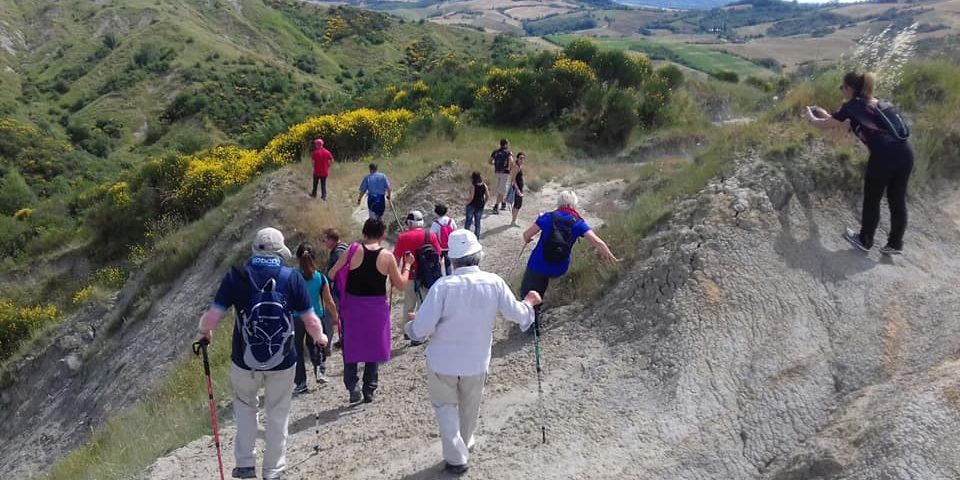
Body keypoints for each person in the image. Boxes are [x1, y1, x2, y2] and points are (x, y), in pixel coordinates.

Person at [404, 229, 543, 475]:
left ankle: (457, 457)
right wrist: (529, 303)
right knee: (470, 407)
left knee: (445, 407)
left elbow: (421, 329)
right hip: (476, 360)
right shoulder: (494, 282)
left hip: (442, 361)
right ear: (478, 255)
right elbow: (517, 315)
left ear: (451, 258)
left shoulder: (442, 286)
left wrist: (412, 326)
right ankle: (464, 444)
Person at [197, 227, 327, 480]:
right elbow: (310, 321)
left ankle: (245, 465)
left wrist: (205, 333)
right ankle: (273, 470)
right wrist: (320, 338)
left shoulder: (237, 276)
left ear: (254, 249)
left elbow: (213, 316)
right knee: (278, 412)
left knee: (245, 407)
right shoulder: (292, 277)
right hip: (283, 361)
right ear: (280, 252)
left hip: (244, 361)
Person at [807, 71, 914, 255]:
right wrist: (824, 113)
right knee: (897, 199)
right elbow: (837, 120)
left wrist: (809, 116)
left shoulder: (850, 106)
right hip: (906, 153)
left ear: (849, 89)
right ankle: (895, 244)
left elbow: (822, 123)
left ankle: (865, 240)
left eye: (842, 87)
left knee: (872, 199)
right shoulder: (876, 102)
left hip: (883, 157)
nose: (841, 91)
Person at [328, 218, 413, 403]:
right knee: (372, 345)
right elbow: (400, 285)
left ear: (364, 232)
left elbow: (332, 273)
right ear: (382, 234)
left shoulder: (352, 250)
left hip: (352, 305)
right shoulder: (387, 256)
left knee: (351, 345)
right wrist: (407, 265)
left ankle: (352, 387)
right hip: (376, 307)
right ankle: (369, 389)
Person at [521, 191, 618, 332]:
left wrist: (530, 235)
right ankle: (538, 308)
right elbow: (598, 243)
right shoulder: (578, 223)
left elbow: (526, 235)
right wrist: (613, 259)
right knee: (544, 278)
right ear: (574, 204)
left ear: (558, 203)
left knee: (528, 290)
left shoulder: (547, 217)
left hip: (538, 264)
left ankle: (532, 323)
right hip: (560, 267)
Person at [293, 242, 339, 392]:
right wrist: (335, 316)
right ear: (314, 257)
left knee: (297, 350)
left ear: (298, 258)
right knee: (316, 345)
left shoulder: (292, 277)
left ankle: (301, 383)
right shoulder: (320, 277)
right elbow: (329, 300)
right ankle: (320, 371)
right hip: (316, 316)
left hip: (296, 318)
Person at [394, 210, 443, 346]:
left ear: (409, 223)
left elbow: (396, 259)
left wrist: (393, 277)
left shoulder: (402, 237)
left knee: (409, 305)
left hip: (409, 275)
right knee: (424, 304)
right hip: (427, 276)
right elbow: (438, 255)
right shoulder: (430, 235)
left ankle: (407, 331)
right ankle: (420, 332)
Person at [322, 228, 349, 349]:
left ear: (332, 239)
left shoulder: (338, 252)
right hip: (343, 289)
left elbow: (341, 270)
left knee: (328, 315)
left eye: (325, 240)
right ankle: (345, 339)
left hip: (339, 289)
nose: (324, 242)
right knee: (343, 315)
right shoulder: (343, 248)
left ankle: (326, 346)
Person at [430, 204, 458, 276]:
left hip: (440, 247)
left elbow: (431, 235)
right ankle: (450, 275)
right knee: (448, 263)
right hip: (451, 245)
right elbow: (455, 230)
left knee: (438, 263)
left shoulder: (435, 223)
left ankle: (440, 277)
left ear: (436, 213)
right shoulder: (451, 221)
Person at [489, 138, 513, 214]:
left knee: (499, 189)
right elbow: (511, 161)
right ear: (506, 144)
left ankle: (503, 203)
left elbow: (490, 161)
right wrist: (509, 168)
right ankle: (496, 206)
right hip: (505, 173)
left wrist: (495, 164)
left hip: (497, 172)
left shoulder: (495, 152)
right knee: (502, 191)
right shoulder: (508, 152)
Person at [464, 171, 488, 239]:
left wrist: (466, 204)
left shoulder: (473, 186)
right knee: (477, 222)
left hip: (472, 205)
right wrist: (484, 202)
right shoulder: (484, 185)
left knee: (468, 221)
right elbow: (487, 196)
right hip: (480, 205)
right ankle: (477, 237)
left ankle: (465, 236)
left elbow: (471, 197)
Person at [508, 152, 526, 227]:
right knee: (517, 204)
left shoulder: (519, 166)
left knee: (518, 204)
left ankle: (513, 220)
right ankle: (513, 221)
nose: (522, 160)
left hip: (519, 188)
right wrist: (518, 190)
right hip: (517, 188)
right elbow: (513, 179)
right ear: (517, 158)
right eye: (520, 158)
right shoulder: (516, 167)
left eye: (523, 158)